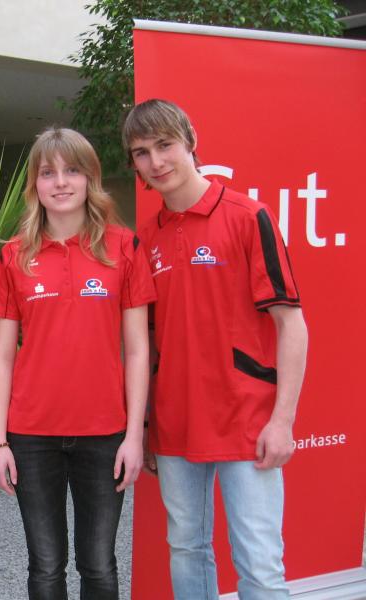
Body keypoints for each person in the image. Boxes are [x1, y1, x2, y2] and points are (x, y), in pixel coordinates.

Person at [123, 99, 308, 600]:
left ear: (190, 142)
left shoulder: (248, 216)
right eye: (142, 152)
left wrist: (283, 421)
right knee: (187, 549)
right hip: (177, 425)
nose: (156, 161)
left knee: (259, 565)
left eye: (165, 145)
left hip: (247, 422)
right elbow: (146, 343)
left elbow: (291, 325)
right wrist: (147, 425)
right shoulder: (147, 238)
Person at [0, 127, 155, 600]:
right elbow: (1, 355)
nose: (60, 182)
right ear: (35, 185)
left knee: (98, 565)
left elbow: (138, 350)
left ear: (90, 179)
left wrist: (134, 436)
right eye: (48, 173)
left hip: (104, 433)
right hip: (31, 434)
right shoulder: (15, 255)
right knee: (45, 567)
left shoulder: (123, 248)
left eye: (73, 171)